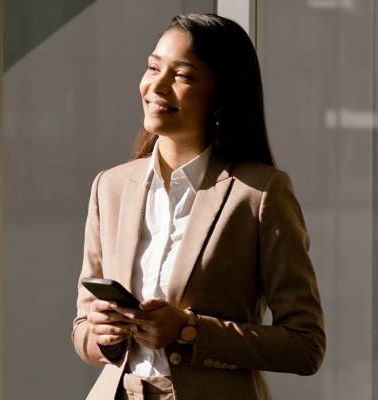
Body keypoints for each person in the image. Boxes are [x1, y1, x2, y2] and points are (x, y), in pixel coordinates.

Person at [72, 13, 325, 400]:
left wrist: (189, 331)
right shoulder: (111, 186)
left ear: (221, 100)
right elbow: (82, 330)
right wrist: (102, 333)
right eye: (153, 67)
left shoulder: (259, 194)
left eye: (182, 76)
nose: (155, 85)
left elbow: (306, 345)